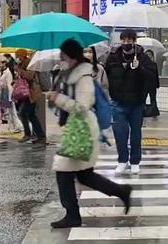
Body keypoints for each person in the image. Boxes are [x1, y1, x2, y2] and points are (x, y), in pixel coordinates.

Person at [47, 38, 132, 229]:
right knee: (85, 175)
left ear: (70, 55)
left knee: (63, 173)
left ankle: (72, 215)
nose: (61, 58)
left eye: (63, 54)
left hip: (83, 130)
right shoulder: (71, 75)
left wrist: (59, 98)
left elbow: (82, 107)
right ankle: (121, 191)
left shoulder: (84, 77)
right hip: (78, 129)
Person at [105, 29, 157, 175]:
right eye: (124, 41)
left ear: (134, 41)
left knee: (135, 134)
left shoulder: (143, 56)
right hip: (118, 102)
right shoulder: (114, 56)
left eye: (130, 41)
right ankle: (122, 160)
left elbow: (152, 77)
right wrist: (126, 68)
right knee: (120, 133)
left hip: (137, 103)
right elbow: (108, 74)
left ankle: (135, 161)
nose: (126, 43)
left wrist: (139, 67)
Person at [14, 50, 46, 144]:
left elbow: (30, 76)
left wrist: (20, 71)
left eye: (18, 56)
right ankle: (40, 136)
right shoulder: (19, 65)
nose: (16, 58)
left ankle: (28, 134)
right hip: (24, 94)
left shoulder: (30, 63)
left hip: (31, 93)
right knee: (31, 115)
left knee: (22, 113)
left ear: (23, 56)